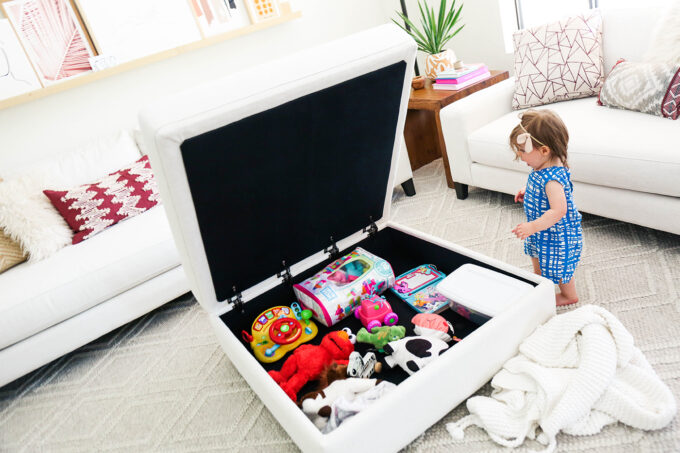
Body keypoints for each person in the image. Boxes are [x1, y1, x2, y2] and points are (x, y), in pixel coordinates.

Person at [509, 109, 583, 306]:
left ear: (544, 150)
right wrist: (528, 191)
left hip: (556, 235)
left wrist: (532, 227)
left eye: (523, 151)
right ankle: (540, 280)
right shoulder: (541, 168)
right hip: (541, 229)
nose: (520, 155)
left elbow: (559, 210)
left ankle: (568, 295)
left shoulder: (553, 180)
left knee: (559, 265)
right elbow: (543, 192)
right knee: (537, 255)